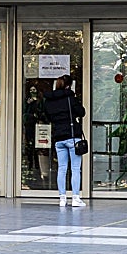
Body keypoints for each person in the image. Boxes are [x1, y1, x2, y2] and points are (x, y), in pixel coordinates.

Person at [44, 74, 86, 208]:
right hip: (72, 136)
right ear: (69, 85)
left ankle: (62, 198)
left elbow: (47, 116)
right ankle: (75, 197)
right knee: (75, 169)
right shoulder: (70, 98)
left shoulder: (49, 100)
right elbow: (81, 112)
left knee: (62, 169)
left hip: (58, 137)